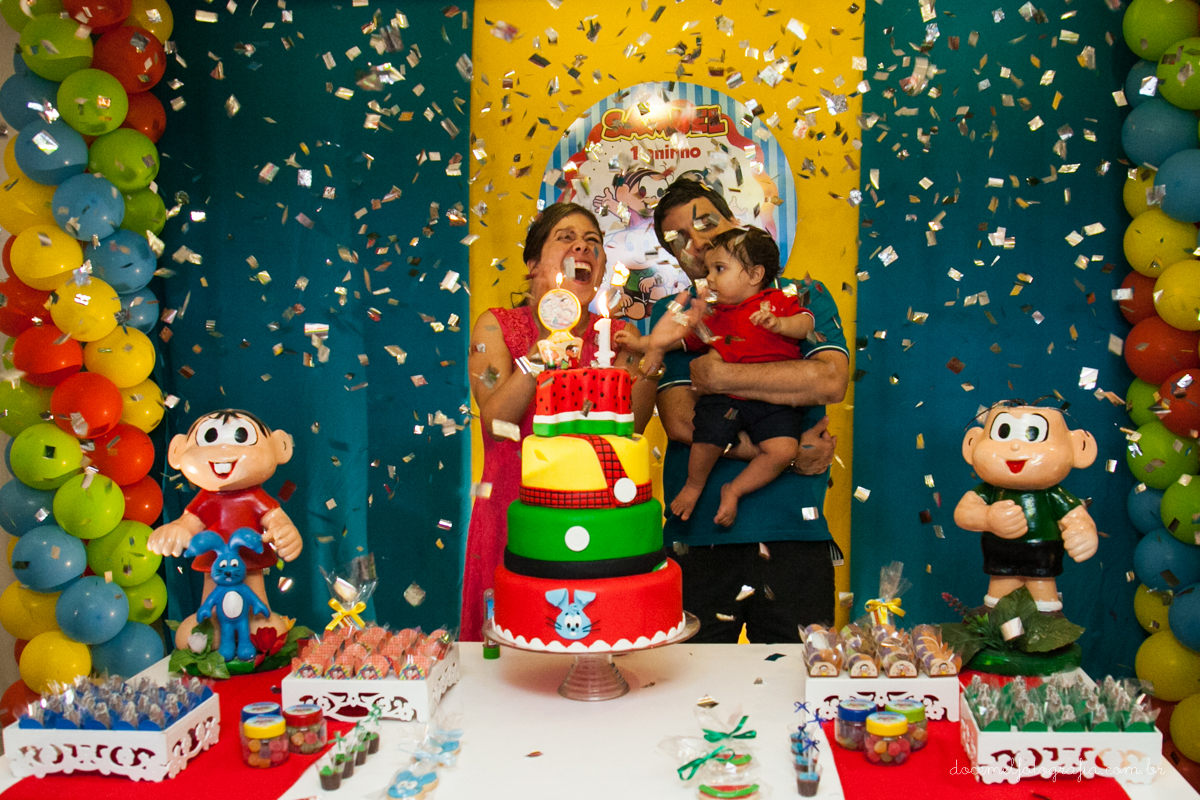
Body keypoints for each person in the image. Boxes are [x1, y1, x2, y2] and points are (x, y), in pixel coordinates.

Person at [650, 178, 850, 643]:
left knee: (799, 690)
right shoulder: (679, 312)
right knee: (686, 693)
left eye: (705, 223)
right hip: (697, 537)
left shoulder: (801, 297)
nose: (696, 242)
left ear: (733, 221)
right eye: (678, 240)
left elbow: (827, 379)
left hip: (794, 537)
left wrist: (723, 378)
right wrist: (790, 453)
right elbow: (681, 419)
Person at [461, 202, 655, 642]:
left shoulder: (619, 336)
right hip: (513, 511)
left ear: (601, 268)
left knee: (595, 642)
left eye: (593, 243)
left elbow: (633, 428)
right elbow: (495, 424)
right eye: (565, 237)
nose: (582, 246)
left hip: (600, 521)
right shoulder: (494, 328)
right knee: (511, 654)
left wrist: (650, 362)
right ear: (533, 264)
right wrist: (545, 349)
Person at [620, 226, 815, 527]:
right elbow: (678, 340)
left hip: (772, 402)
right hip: (723, 399)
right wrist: (645, 345)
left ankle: (734, 490)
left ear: (754, 275)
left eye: (719, 269)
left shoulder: (777, 301)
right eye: (709, 269)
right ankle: (694, 485)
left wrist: (780, 324)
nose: (709, 278)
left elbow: (804, 324)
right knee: (706, 439)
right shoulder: (714, 314)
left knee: (784, 450)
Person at [147, 408, 302, 652]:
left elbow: (277, 521)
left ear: (280, 447)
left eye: (242, 436)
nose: (224, 451)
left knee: (254, 589)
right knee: (212, 589)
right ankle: (211, 624)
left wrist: (286, 533)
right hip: (215, 562)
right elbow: (189, 522)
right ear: (177, 451)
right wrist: (176, 529)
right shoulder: (205, 500)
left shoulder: (256, 498)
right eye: (209, 437)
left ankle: (259, 622)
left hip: (249, 557)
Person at [953, 401, 1099, 613]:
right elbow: (963, 513)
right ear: (972, 443)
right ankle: (998, 622)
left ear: (1079, 448)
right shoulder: (988, 491)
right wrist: (987, 517)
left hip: (1042, 555)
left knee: (1043, 597)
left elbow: (1077, 518)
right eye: (1003, 432)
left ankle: (1045, 620)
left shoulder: (1053, 494)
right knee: (999, 599)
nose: (1015, 446)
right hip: (1001, 554)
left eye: (1033, 433)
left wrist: (1084, 532)